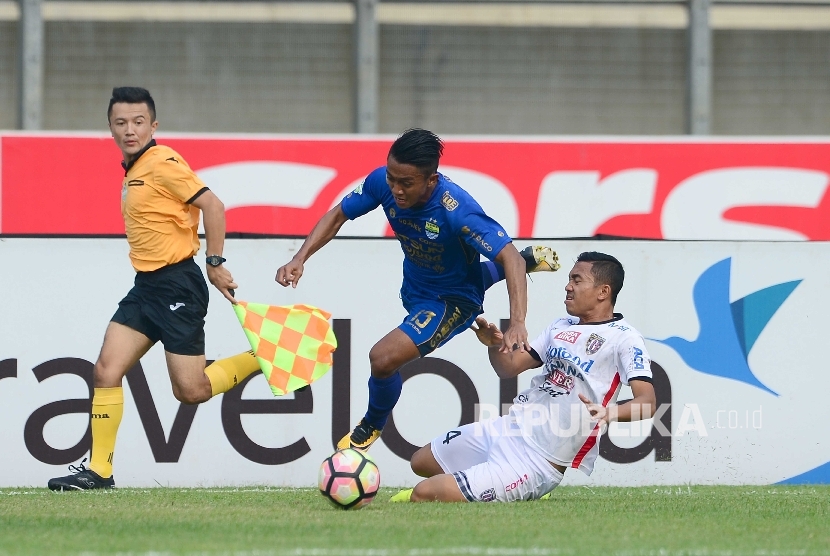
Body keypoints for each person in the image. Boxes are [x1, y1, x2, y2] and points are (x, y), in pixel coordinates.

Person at [275, 129, 559, 451]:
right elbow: (339, 214)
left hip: (451, 302)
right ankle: (511, 266)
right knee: (470, 269)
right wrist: (300, 258)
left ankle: (371, 424)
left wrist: (518, 321)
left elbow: (508, 256)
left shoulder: (457, 210)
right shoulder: (383, 182)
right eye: (392, 178)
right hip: (416, 284)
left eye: (406, 183)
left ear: (431, 181)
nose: (395, 189)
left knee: (382, 359)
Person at [48, 87, 262, 490]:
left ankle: (264, 354)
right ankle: (100, 472)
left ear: (153, 125)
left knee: (191, 390)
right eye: (121, 122)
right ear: (110, 127)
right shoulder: (133, 169)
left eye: (138, 121)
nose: (130, 130)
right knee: (105, 371)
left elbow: (213, 205)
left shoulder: (162, 162)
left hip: (178, 284)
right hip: (146, 287)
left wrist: (215, 263)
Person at [391, 252, 657, 502]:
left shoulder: (624, 338)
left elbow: (647, 402)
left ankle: (521, 486)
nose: (568, 287)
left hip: (536, 461)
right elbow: (508, 368)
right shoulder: (560, 326)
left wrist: (609, 413)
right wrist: (493, 345)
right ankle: (480, 481)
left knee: (423, 493)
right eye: (568, 279)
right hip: (508, 430)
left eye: (577, 280)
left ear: (603, 292)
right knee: (420, 461)